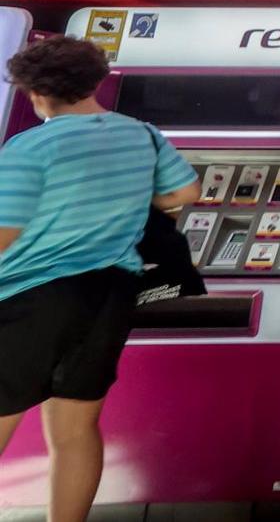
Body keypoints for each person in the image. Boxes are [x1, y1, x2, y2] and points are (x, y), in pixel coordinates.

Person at [0, 36, 199, 522]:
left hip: (30, 297)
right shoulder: (141, 134)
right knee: (75, 428)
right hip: (109, 295)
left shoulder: (29, 147)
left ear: (37, 93)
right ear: (96, 82)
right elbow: (184, 191)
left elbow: (4, 232)